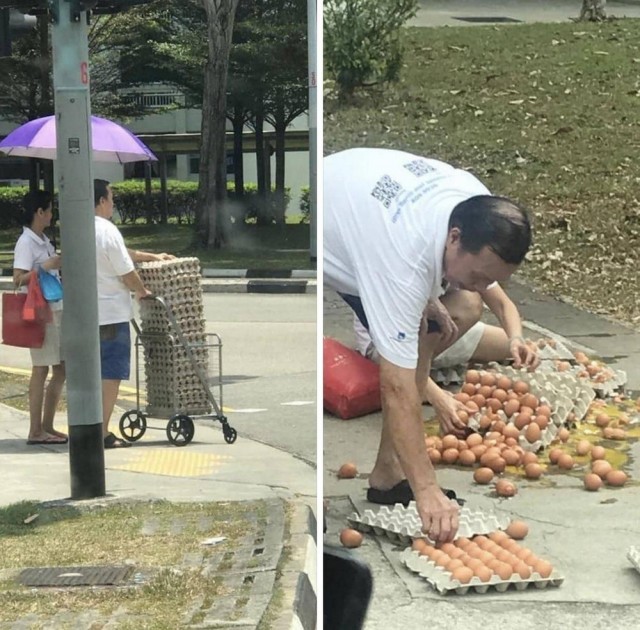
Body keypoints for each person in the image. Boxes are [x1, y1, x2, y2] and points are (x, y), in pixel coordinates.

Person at [324, 148, 533, 543]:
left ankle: (388, 474)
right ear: (454, 238)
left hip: (362, 203)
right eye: (476, 274)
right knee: (407, 352)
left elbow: (487, 290)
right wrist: (428, 491)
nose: (478, 282)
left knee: (462, 305)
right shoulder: (401, 262)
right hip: (328, 229)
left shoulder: (477, 207)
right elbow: (397, 386)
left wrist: (442, 292)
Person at [353, 282, 541, 435]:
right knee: (468, 302)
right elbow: (394, 343)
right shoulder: (419, 258)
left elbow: (502, 304)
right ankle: (416, 380)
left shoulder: (476, 256)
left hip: (442, 325)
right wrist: (438, 397)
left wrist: (516, 338)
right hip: (386, 340)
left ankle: (426, 368)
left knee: (509, 344)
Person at [93, 179, 175, 449]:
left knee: (89, 373)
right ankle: (101, 432)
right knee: (110, 374)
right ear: (102, 201)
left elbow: (122, 255)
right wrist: (141, 291)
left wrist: (151, 256)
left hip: (84, 314)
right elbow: (125, 270)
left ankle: (87, 426)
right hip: (110, 315)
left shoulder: (77, 228)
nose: (113, 204)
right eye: (112, 199)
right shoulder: (107, 230)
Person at [12, 190, 67, 445]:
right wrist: (46, 266)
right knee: (41, 368)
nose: (52, 214)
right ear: (39, 213)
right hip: (41, 312)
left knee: (60, 368)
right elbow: (18, 279)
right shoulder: (27, 242)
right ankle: (36, 429)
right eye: (49, 209)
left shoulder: (43, 239)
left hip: (54, 308)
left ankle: (46, 425)